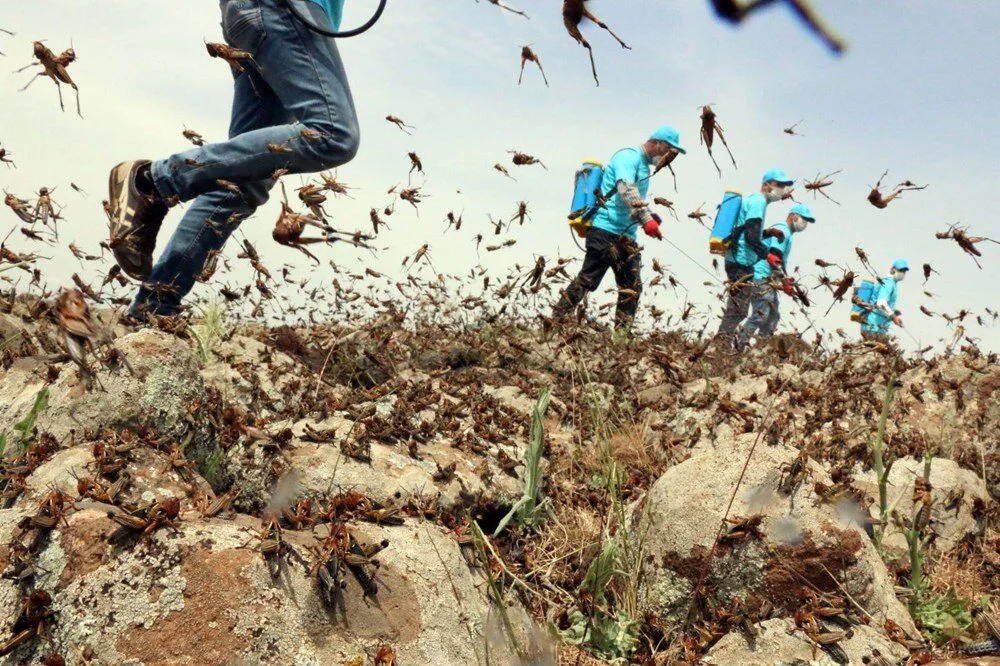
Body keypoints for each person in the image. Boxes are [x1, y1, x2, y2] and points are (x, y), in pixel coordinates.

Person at [107, 0, 356, 319]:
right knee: (333, 134)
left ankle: (153, 309)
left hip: (264, 15)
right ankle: (153, 181)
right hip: (285, 11)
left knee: (239, 185)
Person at [550, 127, 685, 331]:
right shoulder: (628, 157)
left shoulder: (645, 169)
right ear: (658, 143)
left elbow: (633, 203)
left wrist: (647, 218)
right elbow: (625, 189)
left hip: (626, 236)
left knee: (631, 288)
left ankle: (621, 340)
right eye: (669, 151)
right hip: (605, 230)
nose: (670, 157)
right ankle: (555, 321)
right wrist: (645, 219)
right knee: (588, 279)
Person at [716, 168, 794, 347]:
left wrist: (768, 232)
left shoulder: (755, 200)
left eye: (784, 186)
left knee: (738, 307)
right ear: (766, 184)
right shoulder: (759, 202)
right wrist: (768, 256)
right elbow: (751, 238)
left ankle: (722, 343)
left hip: (739, 258)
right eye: (779, 185)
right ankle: (719, 345)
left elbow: (748, 231)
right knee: (738, 309)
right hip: (740, 261)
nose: (782, 189)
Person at [736, 203, 815, 350]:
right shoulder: (783, 231)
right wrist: (784, 281)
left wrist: (786, 280)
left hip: (769, 280)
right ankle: (738, 346)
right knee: (761, 314)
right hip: (761, 277)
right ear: (793, 216)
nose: (805, 224)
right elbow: (774, 257)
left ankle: (762, 348)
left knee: (773, 317)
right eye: (804, 220)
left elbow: (780, 263)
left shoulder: (787, 234)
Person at [861, 258, 908, 339]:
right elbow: (881, 303)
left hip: (877, 326)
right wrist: (894, 317)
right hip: (874, 326)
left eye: (904, 271)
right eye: (900, 270)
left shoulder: (890, 283)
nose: (902, 273)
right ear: (893, 269)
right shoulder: (888, 283)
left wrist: (894, 318)